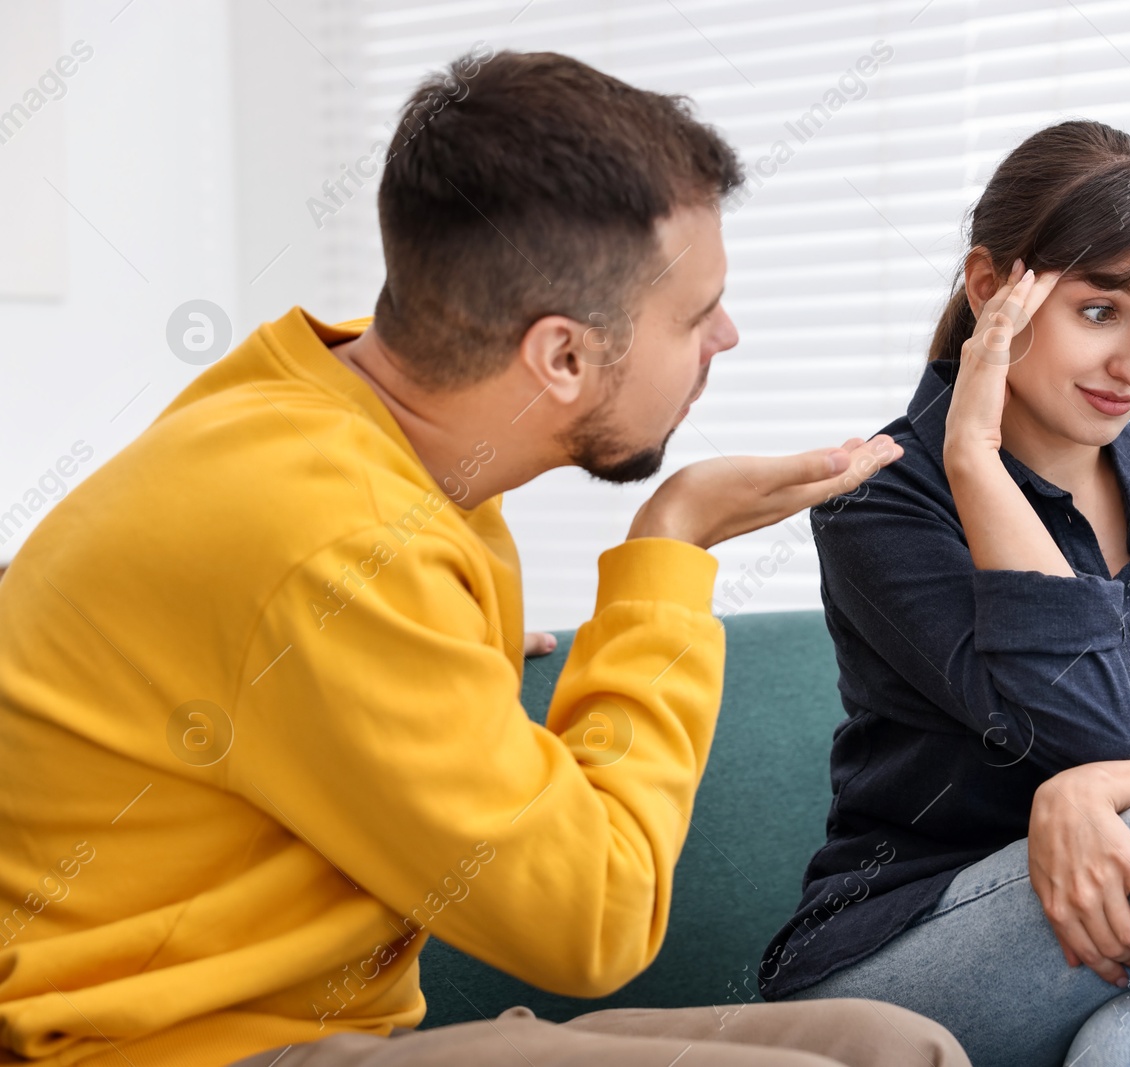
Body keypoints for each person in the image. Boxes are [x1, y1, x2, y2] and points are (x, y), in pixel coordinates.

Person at [0, 50, 971, 1067]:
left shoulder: (331, 419)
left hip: (340, 1031)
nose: (726, 335)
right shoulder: (338, 534)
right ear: (560, 355)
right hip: (160, 1052)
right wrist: (668, 552)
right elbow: (594, 918)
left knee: (892, 1047)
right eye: (693, 315)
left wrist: (444, 655)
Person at [758, 121, 1130, 1066]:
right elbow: (1084, 725)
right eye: (1102, 311)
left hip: (1110, 952)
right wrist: (972, 459)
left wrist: (1096, 792)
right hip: (898, 954)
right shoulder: (880, 496)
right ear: (989, 288)